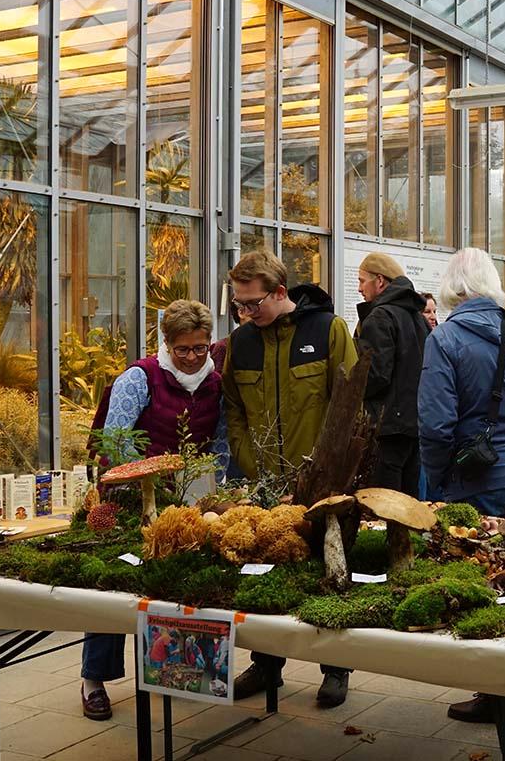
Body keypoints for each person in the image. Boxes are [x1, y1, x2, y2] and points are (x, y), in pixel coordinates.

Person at [418, 248, 505, 724]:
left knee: (483, 584)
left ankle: (499, 696)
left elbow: (435, 425)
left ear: (452, 288)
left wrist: (439, 479)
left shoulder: (445, 338)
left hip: (474, 482)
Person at [222, 249, 358, 707]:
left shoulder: (328, 331)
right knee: (264, 573)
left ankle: (336, 666)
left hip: (324, 485)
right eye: (238, 304)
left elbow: (349, 401)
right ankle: (266, 664)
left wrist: (329, 469)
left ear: (280, 292)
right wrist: (248, 459)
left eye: (252, 303)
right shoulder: (241, 343)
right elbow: (234, 409)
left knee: (330, 571)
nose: (245, 312)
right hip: (265, 484)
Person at [80, 299, 226, 721]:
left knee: (180, 582)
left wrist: (212, 486)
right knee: (115, 587)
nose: (193, 357)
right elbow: (115, 441)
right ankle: (94, 679)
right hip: (131, 496)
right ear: (167, 342)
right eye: (183, 349)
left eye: (200, 348)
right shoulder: (140, 378)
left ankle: (178, 671)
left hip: (187, 499)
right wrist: (149, 482)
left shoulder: (215, 382)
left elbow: (219, 441)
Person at [355, 252, 431, 496]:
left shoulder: (379, 317)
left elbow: (375, 375)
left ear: (379, 281)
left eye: (362, 281)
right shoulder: (418, 318)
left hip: (386, 427)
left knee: (382, 503)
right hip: (414, 425)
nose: (359, 288)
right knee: (408, 504)